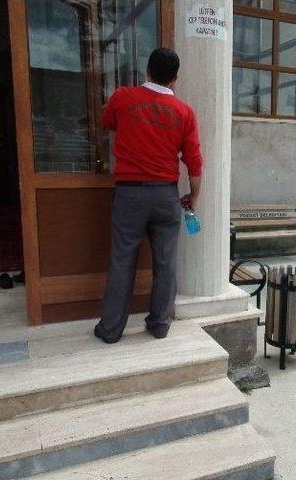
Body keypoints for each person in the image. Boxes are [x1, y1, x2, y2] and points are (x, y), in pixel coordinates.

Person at [94, 48, 203, 344]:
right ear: (175, 79)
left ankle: (111, 329)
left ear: (148, 71)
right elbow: (193, 161)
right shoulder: (184, 112)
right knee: (166, 263)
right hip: (166, 196)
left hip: (129, 195)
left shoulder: (123, 98)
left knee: (122, 260)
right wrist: (193, 196)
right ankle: (159, 325)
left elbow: (106, 121)